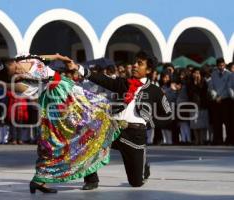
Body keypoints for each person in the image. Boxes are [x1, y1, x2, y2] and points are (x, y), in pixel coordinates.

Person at [0, 54, 120, 193]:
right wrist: (3, 81)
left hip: (69, 89)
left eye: (15, 68)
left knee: (92, 121)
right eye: (13, 73)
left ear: (12, 61)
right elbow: (31, 87)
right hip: (57, 101)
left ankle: (84, 176)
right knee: (66, 139)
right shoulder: (22, 82)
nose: (17, 71)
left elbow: (44, 58)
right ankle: (47, 179)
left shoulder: (25, 58)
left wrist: (60, 57)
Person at [67, 51, 172, 189]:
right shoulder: (123, 83)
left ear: (148, 70)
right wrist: (78, 68)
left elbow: (168, 114)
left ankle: (143, 166)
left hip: (135, 135)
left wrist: (151, 123)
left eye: (139, 63)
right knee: (88, 140)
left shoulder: (155, 91)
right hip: (113, 128)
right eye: (135, 62)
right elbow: (102, 79)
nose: (134, 65)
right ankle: (91, 180)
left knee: (136, 183)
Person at [208, 58, 231, 145]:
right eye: (220, 65)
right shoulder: (214, 74)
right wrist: (216, 96)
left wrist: (221, 96)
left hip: (225, 100)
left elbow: (228, 87)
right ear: (217, 66)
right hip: (216, 100)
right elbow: (211, 86)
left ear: (224, 65)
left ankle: (229, 140)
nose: (221, 67)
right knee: (217, 122)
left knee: (227, 121)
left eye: (223, 65)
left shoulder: (229, 74)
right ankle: (218, 139)